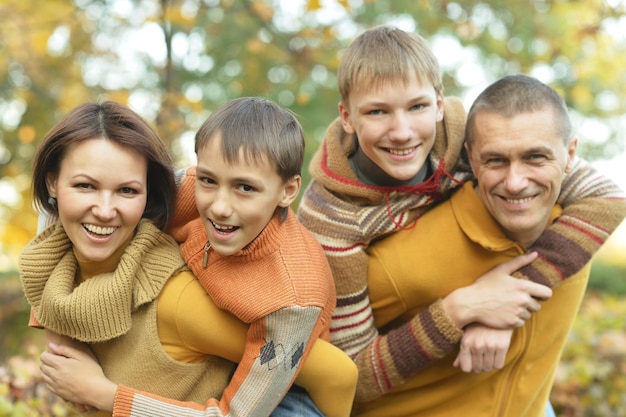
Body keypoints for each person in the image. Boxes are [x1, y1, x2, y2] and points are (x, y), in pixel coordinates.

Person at [295, 25, 626, 408]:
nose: (401, 132)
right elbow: (353, 373)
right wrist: (461, 309)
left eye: (417, 106)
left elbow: (606, 196)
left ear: (439, 104)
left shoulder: (464, 138)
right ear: (347, 117)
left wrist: (508, 302)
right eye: (377, 112)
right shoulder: (331, 220)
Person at [36, 97, 358, 417]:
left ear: (288, 191)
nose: (219, 206)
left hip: (283, 383)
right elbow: (64, 205)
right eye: (209, 180)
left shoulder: (291, 303)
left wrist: (109, 397)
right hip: (219, 356)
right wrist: (66, 345)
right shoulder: (188, 190)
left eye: (245, 188)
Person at [19, 101, 235, 417]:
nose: (105, 211)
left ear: (149, 193)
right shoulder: (53, 275)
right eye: (85, 185)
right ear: (53, 181)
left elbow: (318, 368)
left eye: (127, 191)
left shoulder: (176, 297)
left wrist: (109, 396)